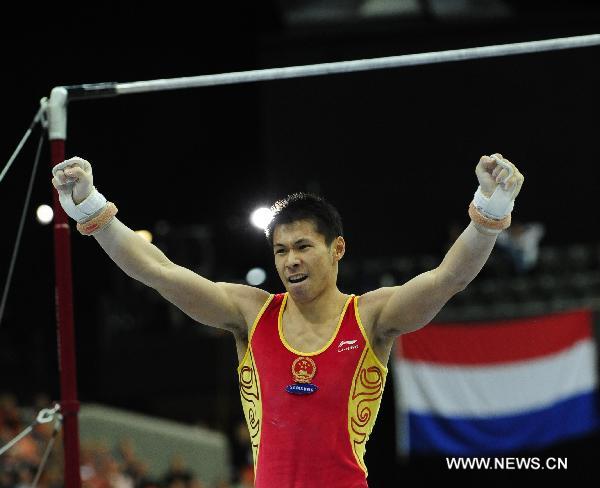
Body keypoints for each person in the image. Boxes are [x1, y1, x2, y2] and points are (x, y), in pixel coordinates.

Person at [51, 153, 524, 487]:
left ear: (337, 249)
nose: (290, 261)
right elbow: (158, 272)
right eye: (280, 251)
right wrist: (96, 213)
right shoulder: (251, 313)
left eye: (302, 247)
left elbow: (447, 280)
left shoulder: (372, 317)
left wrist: (487, 218)